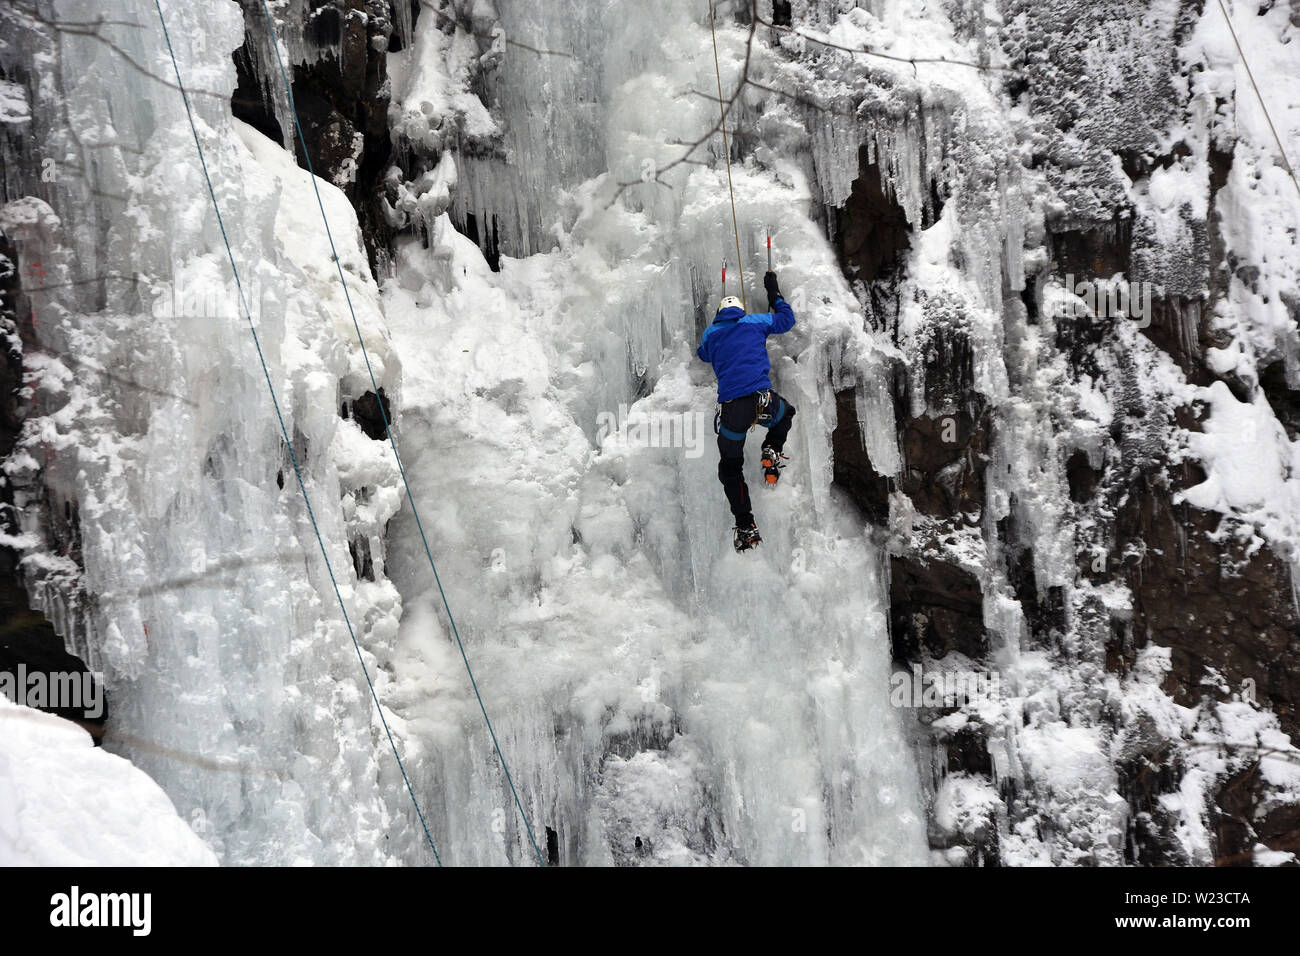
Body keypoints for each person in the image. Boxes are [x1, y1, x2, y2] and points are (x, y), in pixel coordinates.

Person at [696, 270, 797, 552]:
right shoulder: (754, 322)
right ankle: (771, 449)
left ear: (718, 314)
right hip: (762, 402)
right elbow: (786, 320)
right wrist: (774, 292)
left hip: (732, 412)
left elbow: (702, 354)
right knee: (786, 414)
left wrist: (715, 333)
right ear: (740, 311)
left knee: (730, 469)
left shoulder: (711, 334)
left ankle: (746, 525)